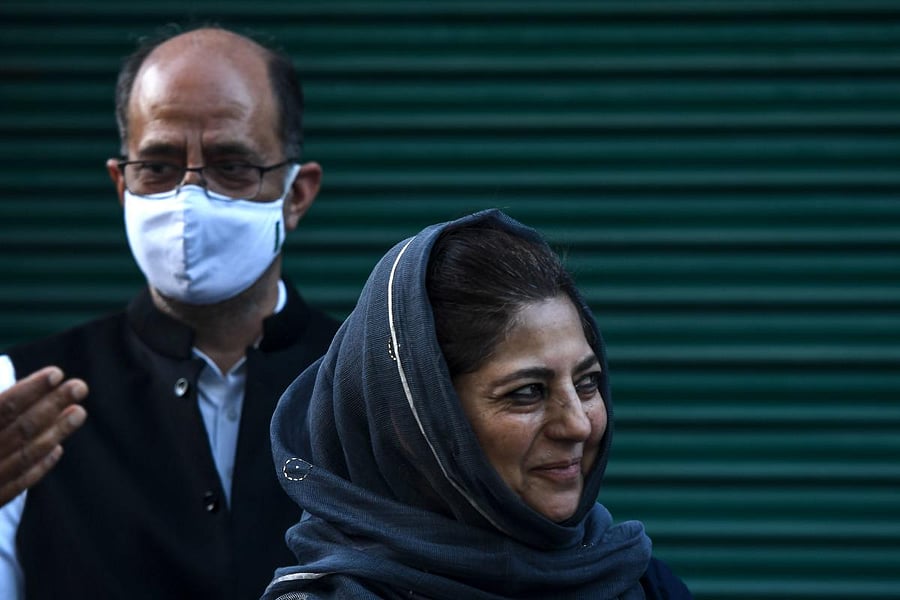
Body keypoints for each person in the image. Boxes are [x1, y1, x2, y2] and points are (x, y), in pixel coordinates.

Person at [0, 26, 341, 599]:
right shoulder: (23, 400)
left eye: (231, 165)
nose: (188, 198)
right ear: (121, 185)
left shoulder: (378, 389)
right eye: (157, 166)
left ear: (296, 193)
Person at [263, 209, 692, 599]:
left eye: (587, 383)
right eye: (527, 392)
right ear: (416, 425)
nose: (578, 425)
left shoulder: (640, 583)